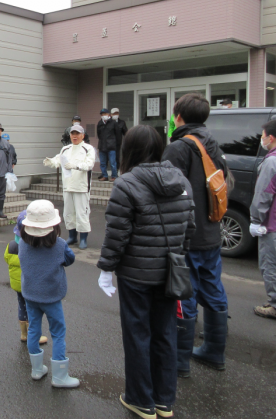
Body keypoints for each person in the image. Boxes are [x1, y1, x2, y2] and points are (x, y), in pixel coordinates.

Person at [97, 125, 196, 419]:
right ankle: (165, 401)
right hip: (169, 272)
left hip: (136, 275)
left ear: (130, 149)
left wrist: (106, 268)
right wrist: (179, 256)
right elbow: (188, 229)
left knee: (138, 335)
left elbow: (117, 233)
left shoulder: (126, 183)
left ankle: (141, 400)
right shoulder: (182, 181)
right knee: (165, 332)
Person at [162, 93, 229, 377]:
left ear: (178, 116)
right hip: (212, 231)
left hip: (186, 234)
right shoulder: (212, 144)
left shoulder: (179, 147)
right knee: (213, 287)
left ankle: (178, 360)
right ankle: (214, 351)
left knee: (183, 292)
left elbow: (168, 190)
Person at [18, 200, 78, 388]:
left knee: (34, 329)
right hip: (52, 296)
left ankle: (37, 369)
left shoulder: (22, 244)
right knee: (58, 332)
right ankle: (59, 376)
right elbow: (70, 259)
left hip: (30, 295)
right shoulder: (59, 245)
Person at [249, 120, 276, 322]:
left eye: (263, 134)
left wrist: (256, 220)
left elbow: (264, 193)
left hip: (274, 223)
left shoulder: (274, 161)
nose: (261, 138)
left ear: (271, 137)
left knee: (273, 265)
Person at [43, 124, 96, 249]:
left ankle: (83, 238)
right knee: (68, 213)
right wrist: (51, 162)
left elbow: (89, 164)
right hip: (67, 186)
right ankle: (72, 236)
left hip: (82, 187)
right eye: (73, 134)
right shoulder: (65, 149)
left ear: (82, 135)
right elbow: (58, 160)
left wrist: (75, 166)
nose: (75, 136)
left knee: (82, 213)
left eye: (77, 134)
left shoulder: (88, 148)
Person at [4, 210, 47, 346]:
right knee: (33, 308)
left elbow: (6, 258)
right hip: (29, 284)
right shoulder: (31, 247)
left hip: (17, 284)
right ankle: (34, 335)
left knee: (21, 306)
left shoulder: (11, 245)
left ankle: (23, 333)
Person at [97, 108, 118, 181]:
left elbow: (117, 134)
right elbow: (98, 135)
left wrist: (115, 144)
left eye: (105, 114)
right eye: (102, 114)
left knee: (112, 163)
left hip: (111, 146)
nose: (103, 116)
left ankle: (114, 176)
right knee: (102, 163)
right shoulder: (100, 123)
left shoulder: (113, 123)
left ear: (108, 114)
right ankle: (105, 176)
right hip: (102, 146)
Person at [111, 108, 128, 172]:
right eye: (114, 113)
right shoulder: (109, 122)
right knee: (109, 159)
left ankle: (116, 172)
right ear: (111, 114)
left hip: (117, 143)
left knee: (116, 157)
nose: (116, 115)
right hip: (109, 143)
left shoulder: (122, 122)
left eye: (117, 113)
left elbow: (125, 132)